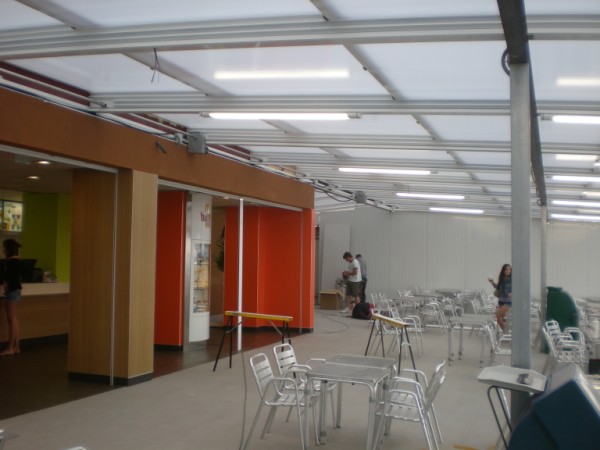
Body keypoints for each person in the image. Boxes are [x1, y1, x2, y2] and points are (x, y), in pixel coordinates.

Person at [1, 238, 22, 355]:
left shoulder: (10, 262)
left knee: (11, 319)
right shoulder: (16, 261)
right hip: (15, 292)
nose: (3, 249)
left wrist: (6, 285)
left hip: (12, 292)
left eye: (4, 247)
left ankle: (10, 348)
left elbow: (8, 279)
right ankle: (16, 347)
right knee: (14, 319)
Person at [488, 263, 512, 333]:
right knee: (501, 318)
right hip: (501, 301)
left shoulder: (512, 279)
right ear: (503, 270)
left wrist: (513, 293)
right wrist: (492, 282)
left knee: (498, 316)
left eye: (509, 269)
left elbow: (518, 288)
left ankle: (506, 333)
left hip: (508, 301)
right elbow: (498, 287)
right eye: (506, 269)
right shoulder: (502, 279)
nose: (508, 271)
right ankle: (506, 331)